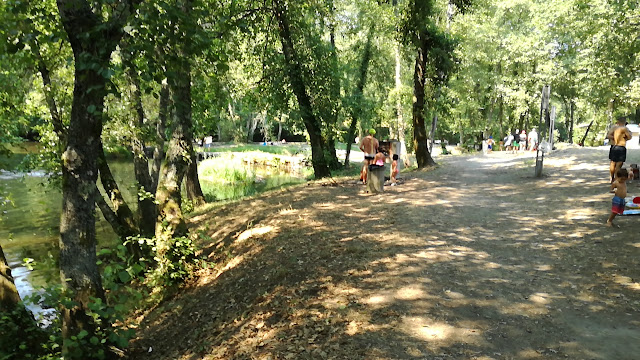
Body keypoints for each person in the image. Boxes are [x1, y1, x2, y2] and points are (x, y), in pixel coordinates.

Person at [606, 118, 632, 183]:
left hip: (614, 146)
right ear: (624, 122)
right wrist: (624, 137)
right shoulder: (624, 128)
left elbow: (608, 135)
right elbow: (629, 137)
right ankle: (617, 179)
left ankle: (611, 177)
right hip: (621, 146)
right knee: (619, 164)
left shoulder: (614, 128)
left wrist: (614, 138)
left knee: (612, 162)